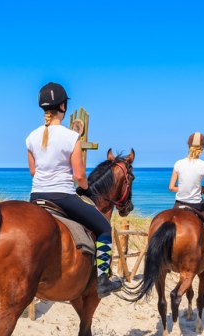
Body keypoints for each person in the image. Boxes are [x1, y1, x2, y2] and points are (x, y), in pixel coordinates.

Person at [27, 82, 122, 297]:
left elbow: (33, 172)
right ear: (63, 106)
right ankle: (102, 279)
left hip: (36, 196)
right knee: (104, 229)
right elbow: (79, 176)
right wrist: (86, 189)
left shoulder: (31, 137)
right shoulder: (71, 137)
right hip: (62, 196)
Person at [168, 131, 204, 270]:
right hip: (196, 206)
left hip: (178, 204)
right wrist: (202, 189)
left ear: (188, 145)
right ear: (202, 148)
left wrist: (182, 188)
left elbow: (171, 187)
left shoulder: (178, 163)